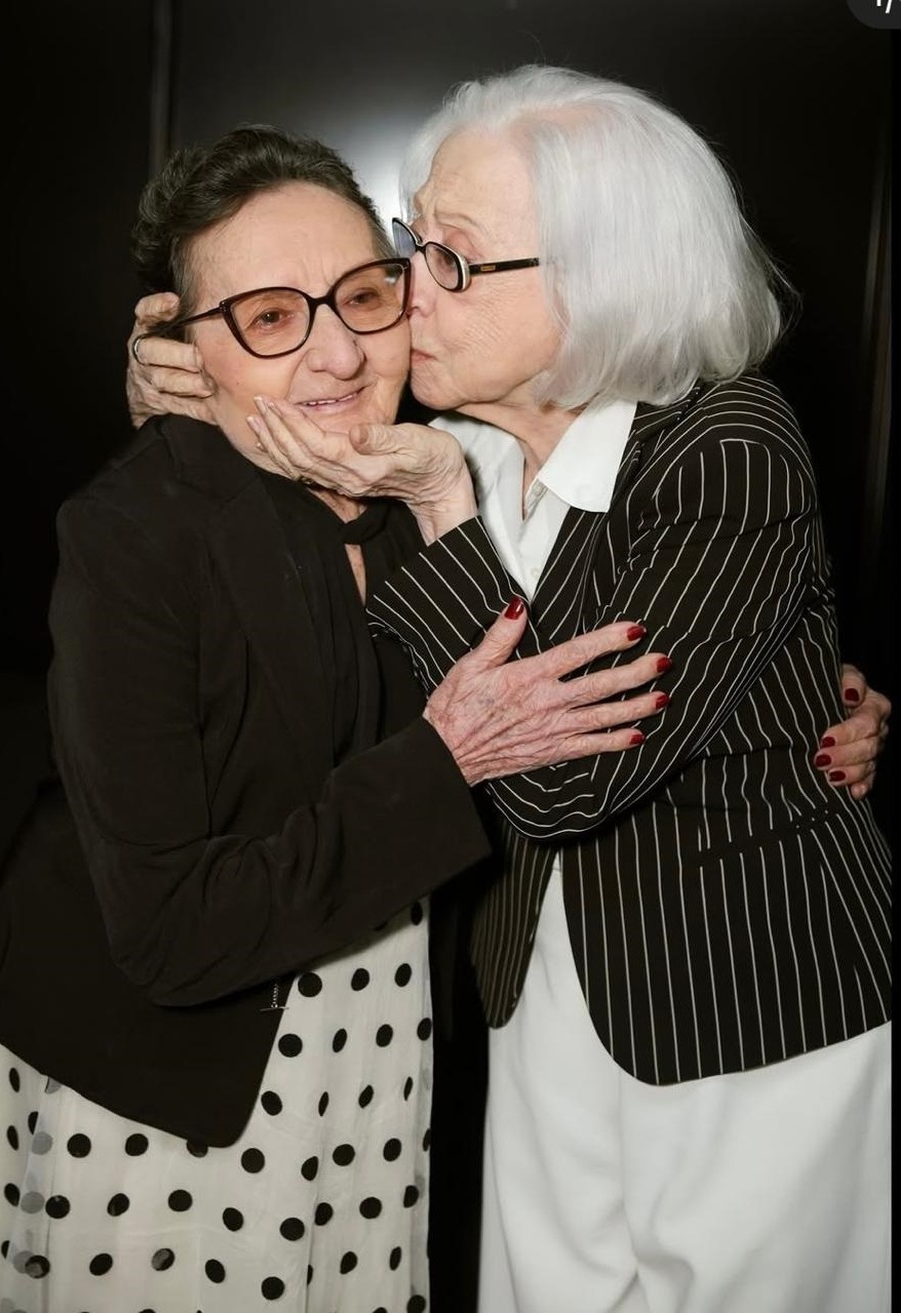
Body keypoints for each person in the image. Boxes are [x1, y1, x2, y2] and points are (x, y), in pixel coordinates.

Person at [126, 68, 893, 1313]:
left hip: (755, 997)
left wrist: (437, 507)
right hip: (542, 986)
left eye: (456, 263)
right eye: (411, 243)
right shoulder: (473, 446)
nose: (404, 296)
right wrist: (187, 376)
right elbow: (250, 495)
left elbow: (575, 769)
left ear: (603, 280)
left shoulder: (725, 438)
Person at [0, 123, 679, 1313]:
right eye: (272, 317)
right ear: (183, 352)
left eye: (362, 295)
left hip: (376, 1059)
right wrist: (451, 760)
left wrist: (816, 703)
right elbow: (173, 931)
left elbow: (615, 654)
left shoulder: (439, 482)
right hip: (160, 1087)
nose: (338, 350)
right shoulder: (135, 534)